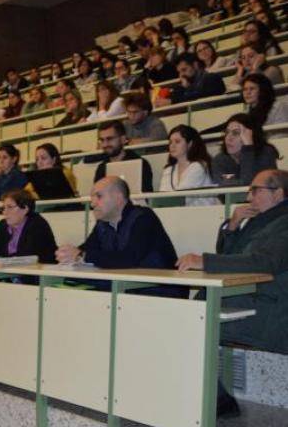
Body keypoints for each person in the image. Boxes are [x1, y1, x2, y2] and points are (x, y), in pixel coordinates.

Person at [176, 169, 288, 353]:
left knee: (193, 317)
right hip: (249, 295)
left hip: (268, 305)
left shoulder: (283, 222)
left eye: (255, 190)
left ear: (278, 193)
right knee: (190, 312)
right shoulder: (259, 218)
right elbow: (228, 254)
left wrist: (205, 261)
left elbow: (265, 262)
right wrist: (233, 225)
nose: (249, 197)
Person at [57, 177, 185, 297]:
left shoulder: (143, 217)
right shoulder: (103, 223)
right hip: (129, 287)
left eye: (99, 196)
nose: (93, 203)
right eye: (92, 198)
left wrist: (81, 255)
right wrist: (68, 254)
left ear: (118, 198)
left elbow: (129, 258)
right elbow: (89, 248)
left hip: (162, 289)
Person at [0, 189, 57, 264]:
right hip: (12, 275)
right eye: (3, 208)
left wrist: (3, 261)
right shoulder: (3, 225)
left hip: (38, 276)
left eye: (10, 207)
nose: (5, 212)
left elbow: (29, 256)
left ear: (25, 209)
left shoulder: (37, 224)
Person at [211, 113, 280, 185]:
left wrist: (248, 148)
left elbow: (249, 183)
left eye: (236, 133)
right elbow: (226, 186)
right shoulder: (219, 160)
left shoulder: (266, 154)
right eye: (227, 132)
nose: (228, 138)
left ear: (250, 136)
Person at [160, 125, 218, 206]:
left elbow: (183, 198)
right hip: (175, 211)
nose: (172, 146)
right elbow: (161, 198)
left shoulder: (198, 166)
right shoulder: (168, 169)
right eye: (170, 142)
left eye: (177, 142)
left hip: (201, 212)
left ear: (190, 144)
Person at [93, 120, 154, 192]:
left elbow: (147, 195)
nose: (105, 144)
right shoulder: (101, 168)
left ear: (123, 139)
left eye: (110, 139)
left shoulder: (141, 164)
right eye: (102, 140)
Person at [157, 53, 226, 106]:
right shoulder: (186, 84)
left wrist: (172, 101)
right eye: (179, 72)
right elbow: (172, 98)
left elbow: (199, 96)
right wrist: (182, 87)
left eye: (184, 70)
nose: (181, 75)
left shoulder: (212, 78)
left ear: (195, 65)